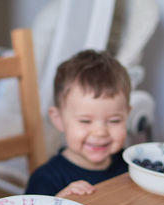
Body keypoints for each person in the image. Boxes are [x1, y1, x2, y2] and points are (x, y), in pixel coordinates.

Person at [25, 50, 131, 197]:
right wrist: (57, 203)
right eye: (85, 121)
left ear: (127, 115)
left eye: (114, 120)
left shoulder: (130, 165)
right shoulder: (46, 178)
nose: (100, 132)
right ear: (59, 119)